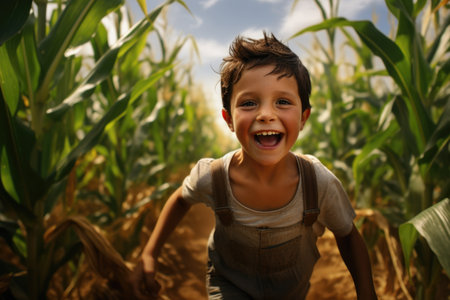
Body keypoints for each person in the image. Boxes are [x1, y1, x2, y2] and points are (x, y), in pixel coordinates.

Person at [131, 32, 377, 300]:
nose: (266, 115)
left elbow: (348, 235)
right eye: (249, 103)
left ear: (304, 117)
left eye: (283, 102)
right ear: (229, 120)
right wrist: (149, 252)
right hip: (228, 285)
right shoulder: (213, 176)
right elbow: (181, 199)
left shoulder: (318, 183)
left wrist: (367, 294)